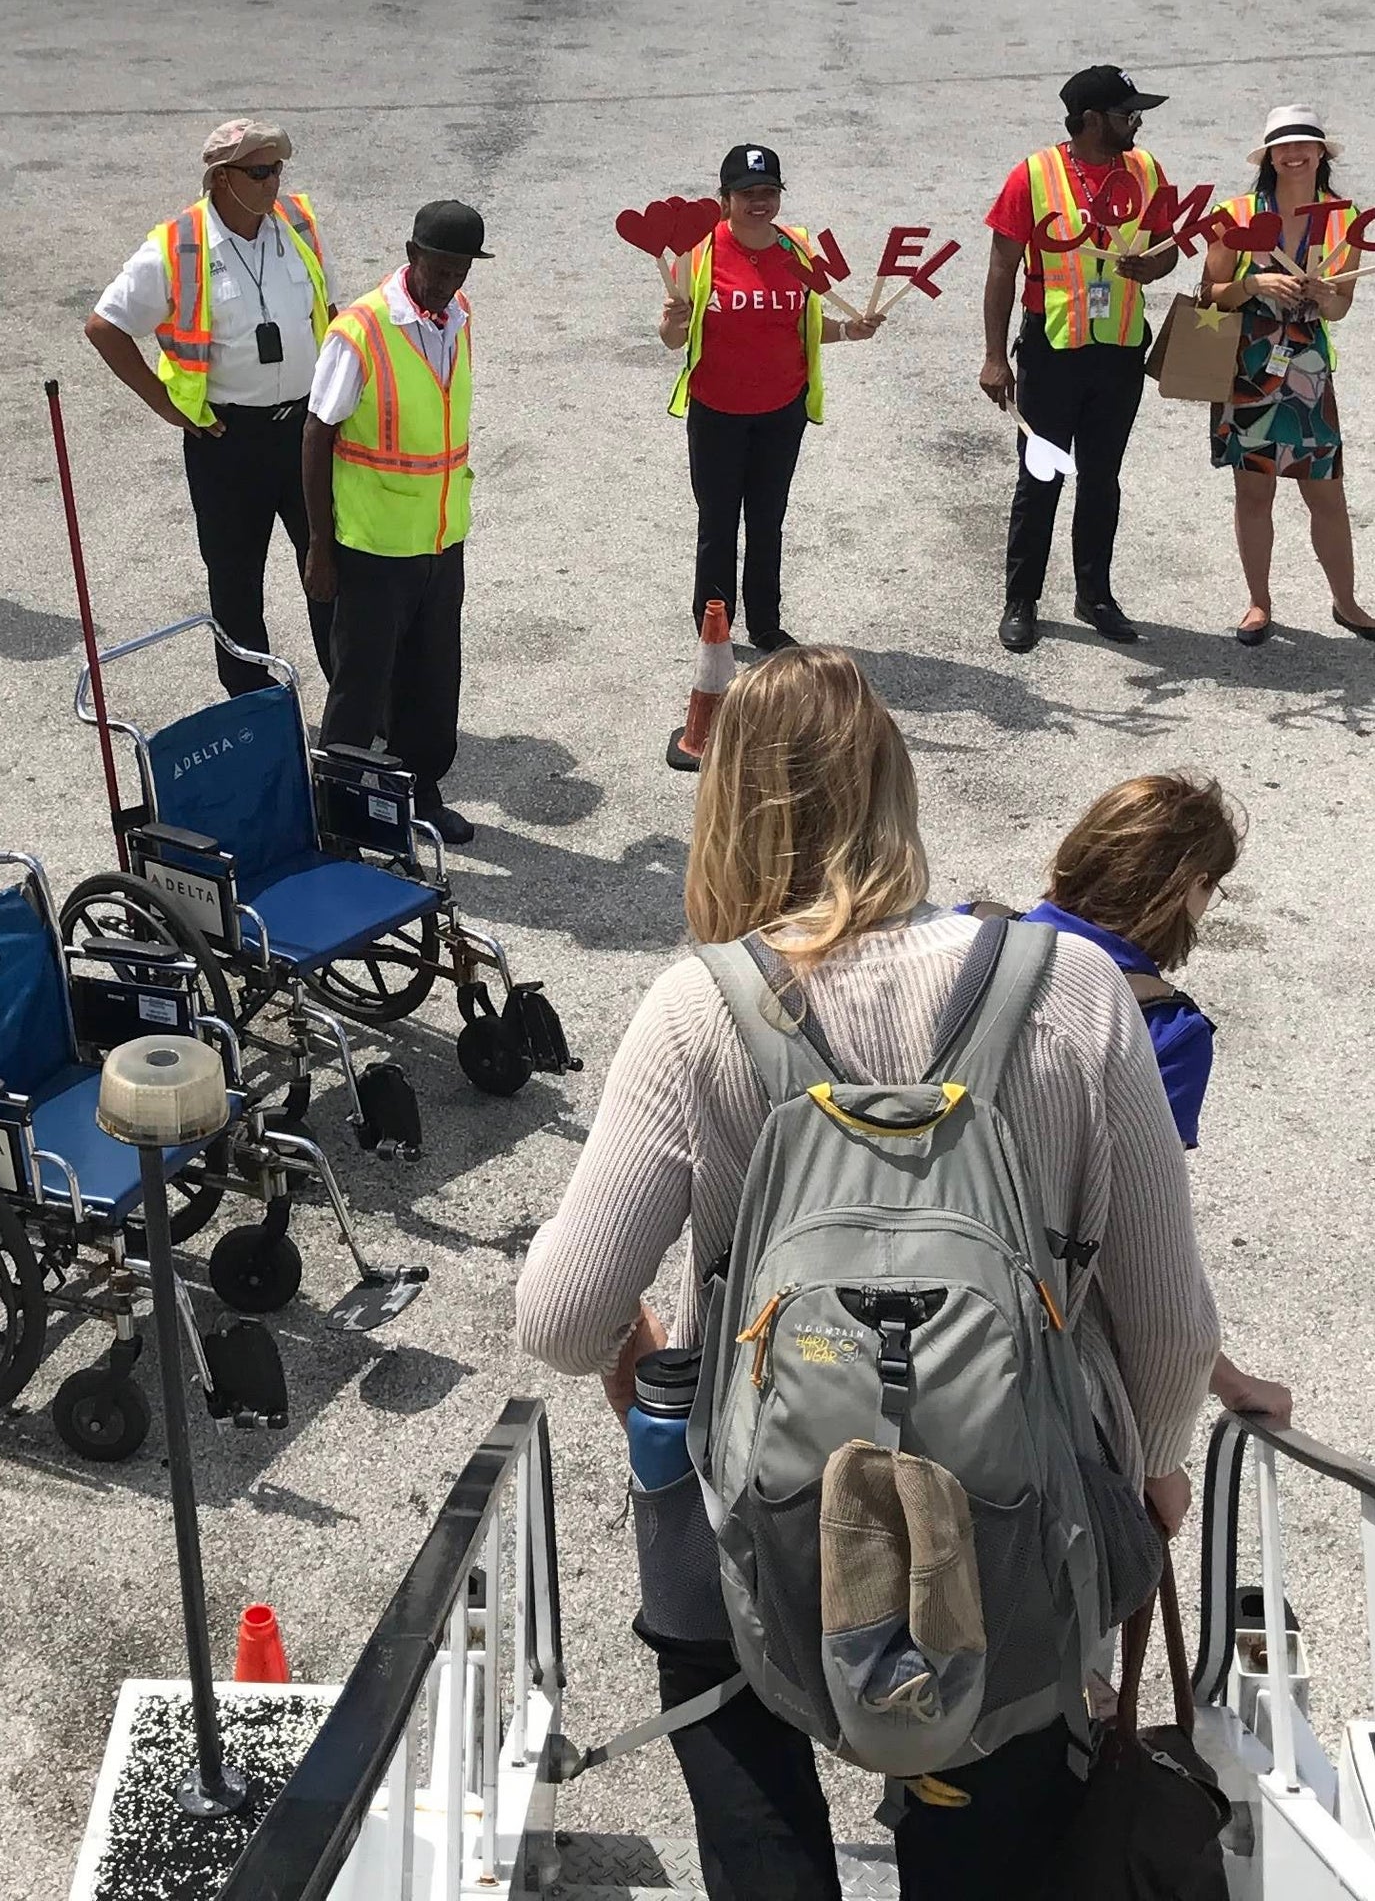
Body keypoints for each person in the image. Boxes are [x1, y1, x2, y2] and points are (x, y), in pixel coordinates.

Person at [513, 652, 1261, 1898]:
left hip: (755, 1513)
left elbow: (560, 1310)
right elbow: (1173, 1322)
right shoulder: (1072, 991)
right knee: (988, 1802)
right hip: (1012, 1516)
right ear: (897, 790)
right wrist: (1162, 1468)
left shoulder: (698, 1010)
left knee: (736, 1735)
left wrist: (643, 1359)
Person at [1025, 771, 1294, 1422]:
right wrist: (1198, 1408)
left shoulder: (963, 937)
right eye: (1212, 886)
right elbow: (1138, 1253)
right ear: (1185, 888)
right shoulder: (1164, 1031)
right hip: (1027, 1362)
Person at [83, 117, 336, 694]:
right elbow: (105, 327)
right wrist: (165, 404)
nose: (274, 181)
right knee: (235, 583)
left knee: (330, 568)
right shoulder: (177, 245)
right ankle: (254, 707)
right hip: (229, 441)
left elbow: (327, 308)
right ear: (221, 178)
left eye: (278, 168)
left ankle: (351, 702)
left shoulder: (296, 222)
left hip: (304, 429)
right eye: (259, 170)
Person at [979, 64, 1183, 648]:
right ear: (1092, 120)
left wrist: (1155, 266)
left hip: (1119, 346)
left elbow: (1166, 248)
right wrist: (996, 357)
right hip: (1052, 348)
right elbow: (1000, 269)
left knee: (1102, 477)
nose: (1137, 123)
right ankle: (1022, 599)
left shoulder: (1146, 170)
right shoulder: (1033, 175)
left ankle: (1095, 595)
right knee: (1040, 474)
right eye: (1128, 114)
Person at [302, 199, 483, 846]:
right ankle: (336, 814)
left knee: (434, 681)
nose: (447, 283)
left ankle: (421, 793)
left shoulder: (458, 317)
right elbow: (317, 432)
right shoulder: (363, 328)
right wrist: (321, 546)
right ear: (412, 257)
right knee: (361, 682)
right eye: (439, 269)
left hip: (440, 537)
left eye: (460, 270)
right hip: (374, 546)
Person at [654, 143, 879, 654]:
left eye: (770, 192)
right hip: (717, 412)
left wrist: (849, 332)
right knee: (717, 522)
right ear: (725, 198)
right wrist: (671, 324)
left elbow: (805, 326)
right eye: (747, 193)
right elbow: (672, 337)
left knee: (767, 519)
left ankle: (766, 625)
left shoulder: (797, 248)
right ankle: (714, 627)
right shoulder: (699, 251)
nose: (760, 202)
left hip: (782, 411)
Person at [1200, 104, 1375, 647]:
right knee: (1253, 493)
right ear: (1268, 156)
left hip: (1307, 370)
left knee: (1326, 493)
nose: (1294, 153)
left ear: (1322, 153)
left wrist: (1327, 295)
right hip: (1248, 367)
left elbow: (1341, 309)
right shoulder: (1234, 214)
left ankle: (1347, 603)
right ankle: (1258, 602)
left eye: (1305, 143)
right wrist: (1256, 286)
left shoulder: (1345, 219)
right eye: (1283, 145)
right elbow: (1207, 294)